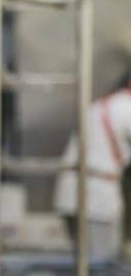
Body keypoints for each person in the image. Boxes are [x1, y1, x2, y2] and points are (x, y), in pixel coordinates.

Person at [53, 70, 131, 261]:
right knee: (102, 270)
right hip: (97, 199)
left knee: (85, 267)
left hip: (70, 194)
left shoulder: (102, 105)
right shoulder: (126, 107)